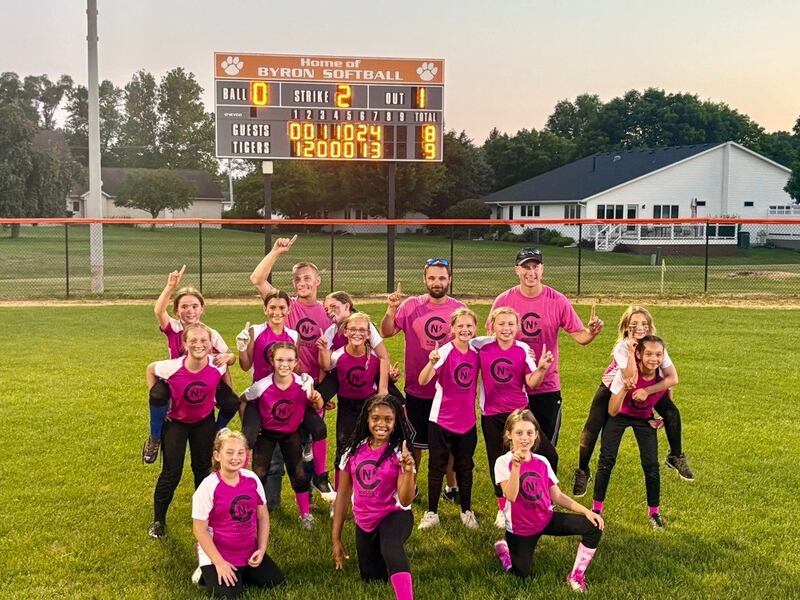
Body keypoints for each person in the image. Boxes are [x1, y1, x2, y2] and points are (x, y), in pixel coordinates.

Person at [489, 248, 604, 455]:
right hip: (513, 386)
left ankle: (542, 486)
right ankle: (514, 486)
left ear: (542, 269)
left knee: (544, 448)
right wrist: (519, 353)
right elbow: (492, 342)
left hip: (546, 386)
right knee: (512, 446)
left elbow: (581, 337)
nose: (531, 272)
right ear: (517, 270)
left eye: (535, 267)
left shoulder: (557, 300)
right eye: (526, 267)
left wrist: (592, 332)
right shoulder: (504, 300)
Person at [249, 236, 335, 504]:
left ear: (318, 281)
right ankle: (269, 501)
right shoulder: (286, 306)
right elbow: (257, 280)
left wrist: (325, 392)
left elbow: (336, 354)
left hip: (309, 390)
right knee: (275, 447)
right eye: (298, 279)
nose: (303, 283)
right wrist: (276, 251)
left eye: (308, 278)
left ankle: (308, 495)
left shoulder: (328, 312)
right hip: (278, 388)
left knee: (307, 446)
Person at [572, 306, 692, 497]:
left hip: (644, 387)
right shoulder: (622, 346)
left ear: (650, 326)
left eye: (644, 323)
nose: (640, 327)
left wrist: (659, 403)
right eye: (634, 324)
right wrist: (630, 351)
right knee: (593, 426)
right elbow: (630, 376)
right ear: (626, 327)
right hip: (615, 387)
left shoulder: (654, 346)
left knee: (672, 412)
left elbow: (670, 378)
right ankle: (583, 470)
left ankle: (675, 456)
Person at [381, 257, 465, 502]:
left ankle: (452, 488)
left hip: (449, 389)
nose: (436, 282)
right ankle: (412, 484)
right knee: (415, 442)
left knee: (449, 442)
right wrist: (391, 309)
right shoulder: (410, 306)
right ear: (424, 280)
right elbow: (386, 332)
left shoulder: (458, 309)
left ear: (449, 279)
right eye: (432, 278)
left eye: (441, 278)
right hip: (418, 388)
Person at [236, 291, 334, 502]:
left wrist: (308, 383)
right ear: (265, 309)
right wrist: (242, 349)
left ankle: (320, 476)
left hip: (289, 394)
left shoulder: (293, 335)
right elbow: (245, 366)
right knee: (251, 440)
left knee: (315, 429)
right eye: (272, 307)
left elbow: (292, 366)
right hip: (262, 394)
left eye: (282, 308)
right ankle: (241, 486)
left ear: (289, 310)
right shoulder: (256, 331)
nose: (277, 312)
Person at [493, 409, 603, 592]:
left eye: (529, 432)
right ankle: (505, 553)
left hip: (546, 518)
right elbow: (510, 495)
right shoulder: (503, 463)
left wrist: (586, 511)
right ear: (509, 435)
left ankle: (576, 576)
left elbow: (557, 496)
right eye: (519, 433)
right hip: (521, 529)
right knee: (522, 575)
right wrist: (516, 467)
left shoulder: (542, 461)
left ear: (536, 435)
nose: (524, 438)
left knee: (594, 526)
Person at [143, 265, 238, 464]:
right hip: (175, 380)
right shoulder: (174, 329)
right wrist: (170, 287)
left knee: (231, 402)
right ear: (177, 311)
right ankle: (155, 437)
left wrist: (228, 358)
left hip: (204, 382)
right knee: (158, 394)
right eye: (184, 306)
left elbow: (229, 358)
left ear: (202, 309)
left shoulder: (210, 333)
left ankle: (216, 431)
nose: (189, 310)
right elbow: (158, 310)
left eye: (194, 306)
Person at [474, 306, 555, 529]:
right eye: (501, 323)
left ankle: (545, 500)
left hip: (519, 413)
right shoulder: (481, 346)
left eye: (511, 324)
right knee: (497, 460)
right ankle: (503, 509)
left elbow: (531, 382)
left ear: (518, 327)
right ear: (492, 325)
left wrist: (541, 369)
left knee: (548, 454)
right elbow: (462, 341)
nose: (506, 328)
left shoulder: (522, 349)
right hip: (491, 414)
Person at [148, 323, 230, 539]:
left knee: (202, 471)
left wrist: (229, 358)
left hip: (203, 422)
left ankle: (204, 520)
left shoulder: (216, 365)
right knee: (171, 472)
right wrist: (160, 403)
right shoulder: (172, 367)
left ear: (211, 344)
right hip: (176, 423)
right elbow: (150, 369)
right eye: (193, 340)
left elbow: (228, 364)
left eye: (204, 340)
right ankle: (158, 521)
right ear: (184, 344)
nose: (199, 344)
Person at [332, 395, 416, 600]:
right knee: (372, 577)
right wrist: (336, 538)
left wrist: (408, 470)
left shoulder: (399, 452)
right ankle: (382, 554)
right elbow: (343, 495)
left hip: (394, 513)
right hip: (365, 520)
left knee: (391, 547)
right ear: (367, 420)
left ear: (396, 422)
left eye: (388, 419)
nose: (381, 424)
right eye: (376, 418)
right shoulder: (352, 451)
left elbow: (405, 501)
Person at [191, 428, 285, 597]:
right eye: (230, 452)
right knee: (229, 595)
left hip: (248, 551)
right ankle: (204, 571)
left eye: (240, 452)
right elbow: (199, 529)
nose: (235, 458)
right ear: (217, 456)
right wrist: (219, 563)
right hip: (218, 555)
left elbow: (263, 517)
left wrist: (262, 549)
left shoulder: (252, 479)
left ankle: (241, 573)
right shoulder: (207, 487)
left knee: (277, 583)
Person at [241, 342, 325, 529]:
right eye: (279, 359)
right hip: (266, 434)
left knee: (299, 474)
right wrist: (249, 425)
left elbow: (318, 407)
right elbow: (244, 399)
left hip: (290, 433)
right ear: (272, 361)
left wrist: (317, 398)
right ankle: (254, 515)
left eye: (289, 360)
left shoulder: (303, 384)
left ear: (296, 362)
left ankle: (305, 514)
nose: (284, 364)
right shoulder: (261, 386)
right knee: (260, 473)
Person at [591, 335, 671, 530]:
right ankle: (596, 510)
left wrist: (662, 418)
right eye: (649, 354)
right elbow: (611, 411)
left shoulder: (662, 377)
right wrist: (624, 390)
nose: (654, 359)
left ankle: (654, 513)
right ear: (638, 355)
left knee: (651, 465)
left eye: (659, 354)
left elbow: (667, 401)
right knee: (606, 461)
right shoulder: (627, 374)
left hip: (644, 418)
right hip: (619, 415)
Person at [416, 308, 481, 530]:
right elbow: (423, 380)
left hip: (467, 421)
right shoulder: (443, 352)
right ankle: (432, 512)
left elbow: (497, 342)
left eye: (469, 326)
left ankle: (466, 510)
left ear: (475, 329)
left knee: (465, 466)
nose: (465, 330)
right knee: (437, 466)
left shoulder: (477, 351)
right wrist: (431, 362)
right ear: (451, 329)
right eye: (460, 326)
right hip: (441, 420)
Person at [319, 312, 389, 490]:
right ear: (345, 332)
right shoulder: (338, 356)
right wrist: (324, 395)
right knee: (344, 449)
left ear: (368, 334)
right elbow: (326, 368)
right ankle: (339, 492)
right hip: (347, 407)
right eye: (352, 329)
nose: (357, 334)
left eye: (362, 330)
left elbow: (383, 390)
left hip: (368, 407)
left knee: (370, 447)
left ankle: (369, 487)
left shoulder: (376, 359)